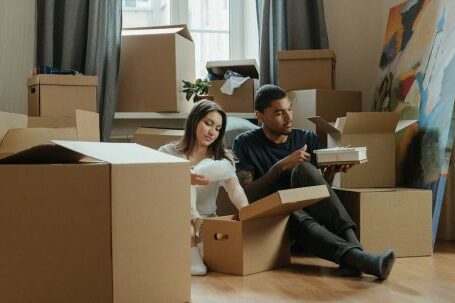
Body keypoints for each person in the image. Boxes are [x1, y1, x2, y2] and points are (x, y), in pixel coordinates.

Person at [232, 84, 396, 280]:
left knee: (303, 169)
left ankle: (358, 254)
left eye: (290, 109)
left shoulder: (306, 138)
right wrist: (280, 167)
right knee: (292, 210)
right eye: (279, 113)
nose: (289, 117)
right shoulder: (244, 143)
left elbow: (320, 193)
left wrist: (331, 173)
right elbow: (246, 197)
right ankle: (360, 258)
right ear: (259, 116)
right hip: (279, 221)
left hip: (314, 218)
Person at [159, 100, 249, 276]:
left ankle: (192, 251)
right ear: (194, 120)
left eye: (217, 128)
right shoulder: (167, 152)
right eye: (208, 123)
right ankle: (190, 246)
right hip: (174, 221)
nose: (212, 132)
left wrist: (247, 212)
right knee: (184, 175)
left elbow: (234, 188)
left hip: (207, 223)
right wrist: (183, 178)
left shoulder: (222, 160)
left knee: (225, 253)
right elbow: (152, 186)